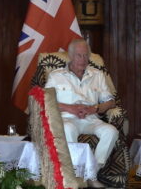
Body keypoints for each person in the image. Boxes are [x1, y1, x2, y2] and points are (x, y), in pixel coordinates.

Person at [45, 39, 118, 187]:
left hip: (90, 118)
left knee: (111, 131)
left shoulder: (97, 75)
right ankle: (74, 175)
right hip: (67, 118)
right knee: (68, 128)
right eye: (79, 55)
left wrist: (94, 108)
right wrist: (69, 108)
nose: (83, 60)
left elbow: (111, 101)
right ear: (70, 56)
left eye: (86, 55)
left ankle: (91, 174)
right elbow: (46, 102)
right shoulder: (56, 76)